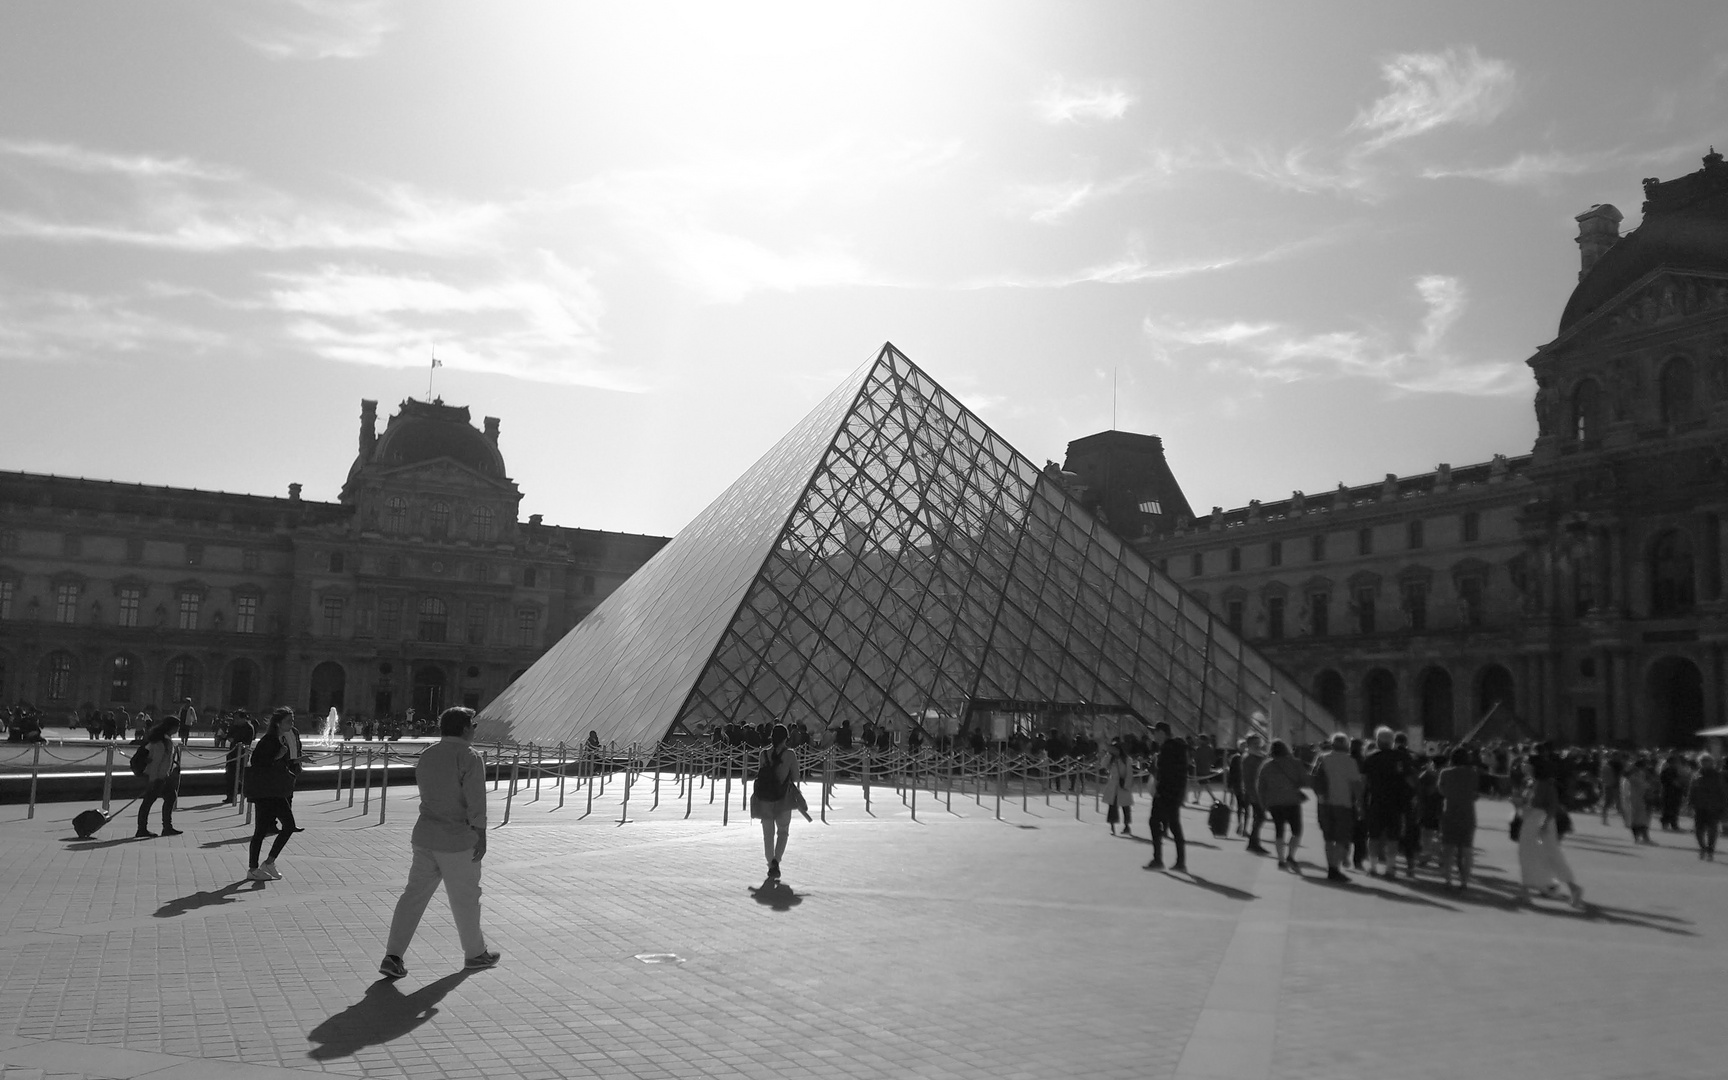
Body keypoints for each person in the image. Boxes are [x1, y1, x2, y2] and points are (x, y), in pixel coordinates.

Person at [381, 707, 498, 978]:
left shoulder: (428, 754)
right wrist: (480, 833)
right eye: (474, 725)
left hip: (425, 836)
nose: (475, 729)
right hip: (457, 840)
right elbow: (475, 800)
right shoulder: (469, 756)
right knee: (466, 899)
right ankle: (475, 954)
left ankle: (393, 955)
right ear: (465, 728)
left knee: (413, 897)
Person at [1516, 746, 1584, 908]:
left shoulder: (1545, 784)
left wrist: (1546, 822)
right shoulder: (1531, 782)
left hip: (1540, 820)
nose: (1523, 765)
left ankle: (1572, 887)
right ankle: (1527, 890)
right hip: (1531, 819)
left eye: (1526, 763)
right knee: (1529, 854)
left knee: (1549, 854)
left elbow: (1552, 805)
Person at [245, 707, 303, 880]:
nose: (292, 724)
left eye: (292, 721)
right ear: (278, 723)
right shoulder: (269, 740)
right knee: (261, 831)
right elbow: (257, 762)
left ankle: (268, 862)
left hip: (276, 790)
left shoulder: (279, 739)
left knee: (288, 826)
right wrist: (279, 756)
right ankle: (253, 868)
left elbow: (280, 763)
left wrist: (296, 760)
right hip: (266, 791)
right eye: (289, 721)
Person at [749, 722, 805, 879]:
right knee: (783, 831)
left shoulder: (763, 754)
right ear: (786, 738)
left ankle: (770, 862)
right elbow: (795, 777)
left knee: (768, 834)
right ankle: (776, 861)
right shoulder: (790, 754)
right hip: (783, 799)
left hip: (765, 798)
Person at [1311, 733, 1362, 883]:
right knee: (1341, 837)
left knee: (1328, 837)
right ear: (1346, 745)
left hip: (1324, 803)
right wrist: (1359, 802)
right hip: (1343, 804)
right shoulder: (1349, 761)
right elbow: (1356, 784)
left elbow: (1313, 779)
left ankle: (1330, 867)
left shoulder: (1321, 758)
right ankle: (1335, 868)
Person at [1255, 739, 1308, 871]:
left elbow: (1260, 787)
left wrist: (1263, 804)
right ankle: (1291, 855)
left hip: (1274, 803)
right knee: (1297, 831)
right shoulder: (1295, 763)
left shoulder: (1266, 766)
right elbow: (1304, 780)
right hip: (1292, 801)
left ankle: (1281, 860)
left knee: (1279, 831)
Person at [1144, 722, 1188, 872]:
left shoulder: (1168, 750)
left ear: (1162, 732)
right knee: (1175, 825)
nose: (1153, 735)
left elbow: (1166, 773)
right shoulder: (1177, 748)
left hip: (1165, 793)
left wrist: (1159, 790)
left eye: (1155, 732)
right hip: (1175, 793)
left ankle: (1158, 859)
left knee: (1154, 822)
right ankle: (1180, 861)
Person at [1437, 747, 1479, 890]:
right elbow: (1475, 794)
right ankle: (1464, 881)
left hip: (1450, 812)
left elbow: (1441, 790)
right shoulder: (1473, 773)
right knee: (1466, 849)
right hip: (1467, 813)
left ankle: (1447, 879)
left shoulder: (1445, 773)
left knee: (1448, 848)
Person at [135, 716, 183, 838]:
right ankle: (143, 829)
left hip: (162, 776)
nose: (177, 729)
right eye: (176, 727)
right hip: (156, 777)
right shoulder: (160, 742)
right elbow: (156, 762)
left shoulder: (164, 740)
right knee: (149, 801)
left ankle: (166, 827)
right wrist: (153, 780)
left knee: (169, 797)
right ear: (171, 727)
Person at [1688, 754, 1725, 861]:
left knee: (1712, 830)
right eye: (1702, 761)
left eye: (1707, 761)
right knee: (1698, 830)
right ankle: (1702, 848)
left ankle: (1710, 850)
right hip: (1699, 806)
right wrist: (1689, 804)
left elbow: (1723, 792)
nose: (1704, 763)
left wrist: (1723, 805)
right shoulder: (1696, 775)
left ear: (1711, 763)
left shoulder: (1717, 775)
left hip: (1713, 806)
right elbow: (1691, 790)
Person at [1239, 735, 1269, 854]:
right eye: (1255, 743)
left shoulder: (1259, 756)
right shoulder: (1249, 758)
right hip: (1254, 792)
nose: (1258, 745)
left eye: (1259, 743)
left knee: (1259, 817)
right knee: (1260, 817)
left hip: (1259, 792)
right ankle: (1253, 842)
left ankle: (1254, 842)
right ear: (1249, 745)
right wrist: (1253, 793)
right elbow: (1249, 778)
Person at [1101, 738, 1135, 837]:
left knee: (1125, 807)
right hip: (1113, 785)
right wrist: (1108, 755)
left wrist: (1127, 785)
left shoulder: (1126, 759)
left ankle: (1127, 825)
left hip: (1122, 785)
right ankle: (1112, 826)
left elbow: (1129, 773)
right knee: (1112, 806)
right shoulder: (1111, 758)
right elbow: (1103, 765)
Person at [224, 710, 256, 804]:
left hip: (242, 754)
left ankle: (245, 792)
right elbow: (229, 737)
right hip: (232, 753)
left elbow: (246, 741)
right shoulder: (234, 726)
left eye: (237, 718)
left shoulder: (249, 727)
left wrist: (236, 740)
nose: (235, 720)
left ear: (243, 718)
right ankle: (230, 796)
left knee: (241, 774)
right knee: (230, 775)